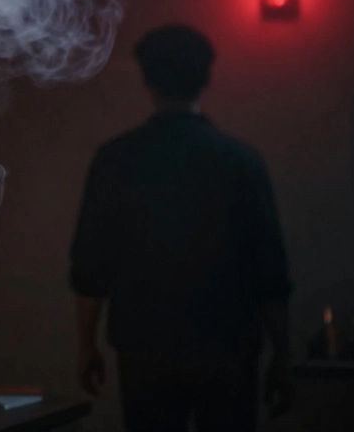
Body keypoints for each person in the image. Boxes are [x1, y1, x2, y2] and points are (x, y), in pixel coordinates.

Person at [69, 24, 294, 432]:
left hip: (145, 347)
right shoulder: (240, 162)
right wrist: (283, 355)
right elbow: (270, 270)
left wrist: (87, 346)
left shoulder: (116, 161)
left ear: (147, 79)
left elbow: (90, 266)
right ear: (205, 77)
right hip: (227, 345)